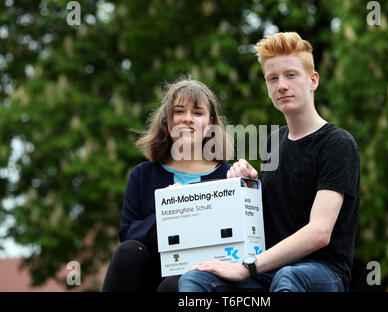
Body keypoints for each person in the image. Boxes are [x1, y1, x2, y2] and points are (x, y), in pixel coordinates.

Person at [178, 32, 360, 292]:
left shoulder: (338, 144)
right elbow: (270, 219)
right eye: (272, 78)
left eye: (291, 75)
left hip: (322, 272)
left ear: (313, 80)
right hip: (269, 270)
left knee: (289, 277)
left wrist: (247, 266)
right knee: (195, 279)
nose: (281, 85)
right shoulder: (273, 142)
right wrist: (247, 185)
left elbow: (319, 232)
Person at [102, 78, 233, 292]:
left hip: (206, 278)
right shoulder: (142, 175)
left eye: (197, 113)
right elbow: (127, 235)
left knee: (176, 285)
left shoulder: (228, 175)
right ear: (168, 121)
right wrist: (168, 212)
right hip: (151, 274)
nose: (188, 119)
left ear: (210, 123)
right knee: (128, 251)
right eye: (179, 112)